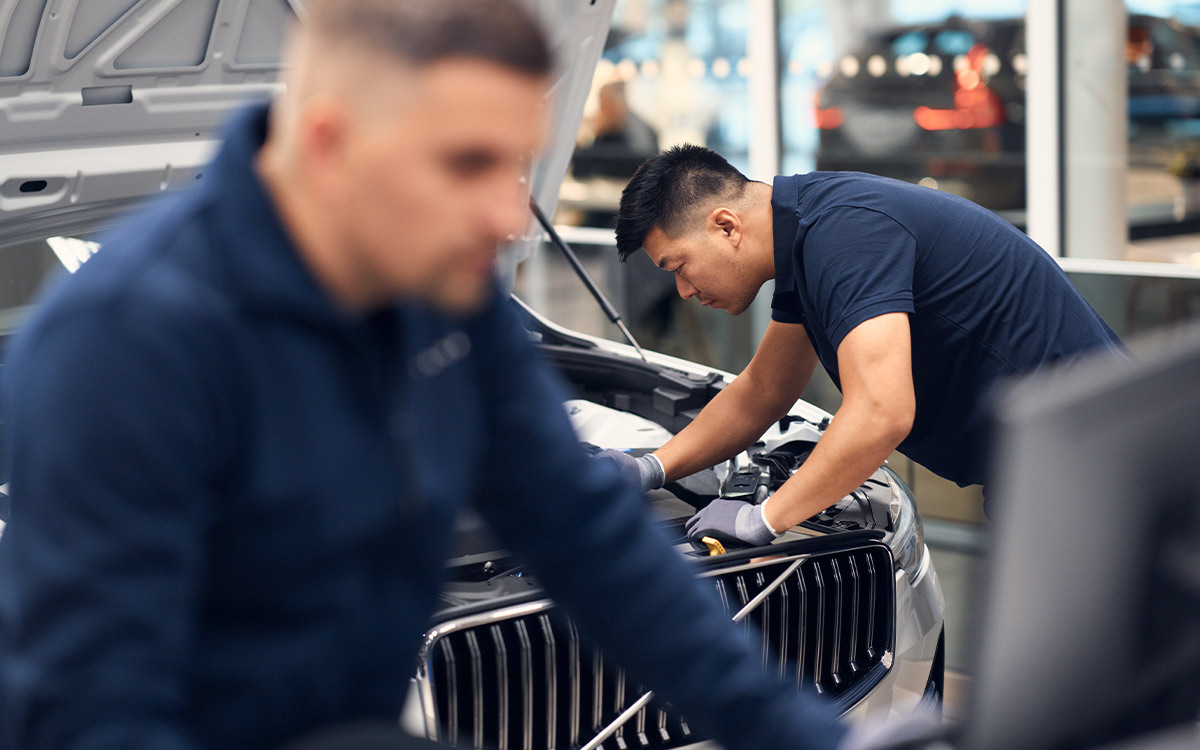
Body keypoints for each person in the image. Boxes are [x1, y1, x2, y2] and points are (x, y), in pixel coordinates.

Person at [0, 4, 847, 750]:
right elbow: (95, 717)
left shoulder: (445, 304)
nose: (510, 214)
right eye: (468, 163)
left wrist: (809, 738)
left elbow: (591, 543)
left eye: (518, 165)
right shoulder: (126, 347)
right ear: (331, 143)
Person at [602, 144, 1125, 546]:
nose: (684, 291)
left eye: (678, 266)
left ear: (726, 226)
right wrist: (652, 466)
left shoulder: (844, 232)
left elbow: (881, 411)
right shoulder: (809, 237)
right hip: (1064, 464)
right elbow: (764, 388)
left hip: (1099, 469)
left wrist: (766, 517)